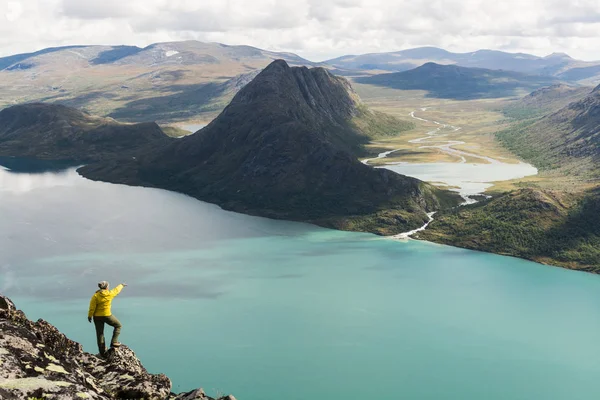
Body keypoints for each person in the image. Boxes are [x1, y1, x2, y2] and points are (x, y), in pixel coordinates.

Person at [88, 281, 127, 356]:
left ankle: (102, 352)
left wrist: (90, 316)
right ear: (107, 287)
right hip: (107, 315)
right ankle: (114, 342)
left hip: (97, 317)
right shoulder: (110, 294)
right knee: (118, 325)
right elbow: (116, 290)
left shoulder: (95, 296)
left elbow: (92, 307)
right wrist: (121, 285)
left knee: (100, 334)